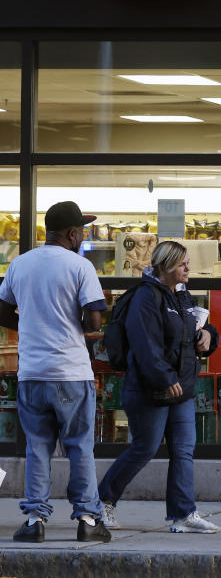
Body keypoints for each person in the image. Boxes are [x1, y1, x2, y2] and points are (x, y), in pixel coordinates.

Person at [0, 201, 111, 543]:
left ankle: (35, 520)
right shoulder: (80, 267)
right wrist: (73, 325)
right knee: (79, 447)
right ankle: (89, 521)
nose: (83, 237)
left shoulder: (20, 264)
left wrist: (30, 324)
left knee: (37, 447)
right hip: (70, 373)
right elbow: (94, 319)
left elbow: (2, 310)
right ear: (72, 233)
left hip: (32, 373)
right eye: (82, 231)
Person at [97, 240, 221, 533]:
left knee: (183, 450)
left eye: (188, 262)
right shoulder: (146, 297)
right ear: (164, 267)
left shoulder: (181, 295)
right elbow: (144, 344)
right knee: (144, 448)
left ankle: (183, 514)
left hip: (182, 388)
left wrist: (209, 336)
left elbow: (189, 333)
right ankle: (101, 502)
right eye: (182, 264)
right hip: (150, 388)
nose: (188, 268)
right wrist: (165, 379)